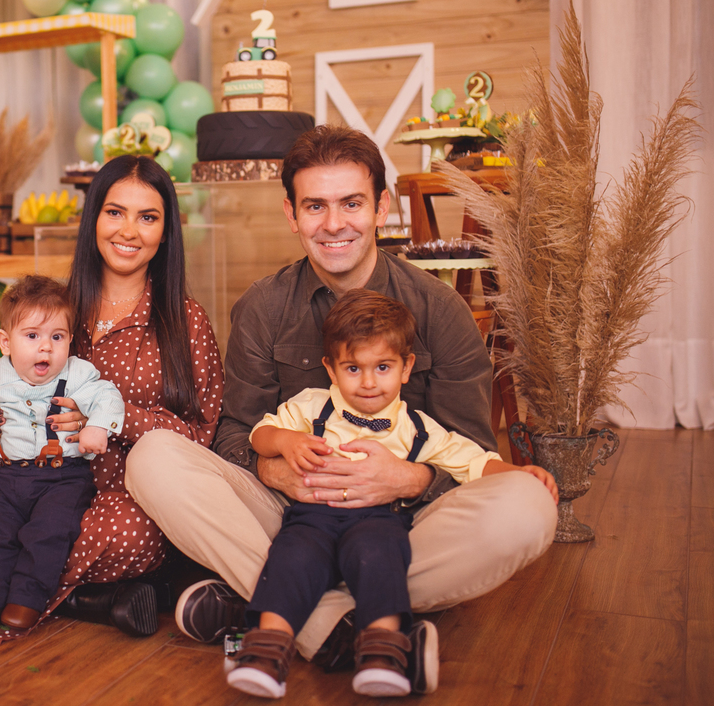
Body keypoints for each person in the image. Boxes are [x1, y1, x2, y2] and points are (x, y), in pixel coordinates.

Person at [125, 124, 558, 663]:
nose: (333, 225)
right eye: (315, 207)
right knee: (152, 457)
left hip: (399, 524)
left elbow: (469, 447)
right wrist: (274, 469)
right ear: (292, 215)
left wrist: (408, 478)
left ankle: (271, 611)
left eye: (351, 203)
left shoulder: (439, 310)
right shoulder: (262, 308)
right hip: (286, 518)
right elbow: (234, 434)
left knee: (527, 512)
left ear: (381, 208)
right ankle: (358, 629)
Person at [0, 154, 224, 640]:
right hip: (16, 494)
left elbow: (200, 437)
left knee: (137, 532)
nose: (128, 230)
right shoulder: (49, 311)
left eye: (147, 217)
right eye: (114, 212)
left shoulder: (185, 321)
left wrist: (114, 419)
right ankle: (85, 600)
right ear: (93, 220)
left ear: (166, 231)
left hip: (114, 508)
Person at [223, 289, 557, 699]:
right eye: (353, 368)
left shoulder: (418, 428)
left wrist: (519, 473)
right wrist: (287, 442)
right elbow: (260, 433)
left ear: (405, 367)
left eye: (382, 367)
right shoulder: (312, 407)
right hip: (312, 517)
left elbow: (473, 461)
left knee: (381, 559)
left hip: (379, 520)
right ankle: (265, 651)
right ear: (330, 368)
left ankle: (380, 652)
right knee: (292, 558)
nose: (367, 382)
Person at [0, 275, 124, 637]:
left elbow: (107, 397)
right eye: (32, 336)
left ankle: (27, 598)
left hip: (63, 477)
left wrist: (98, 427)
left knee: (48, 532)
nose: (45, 348)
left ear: (69, 340)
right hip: (8, 478)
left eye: (57, 337)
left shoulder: (78, 375)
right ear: (5, 341)